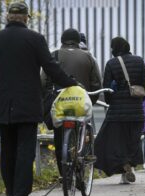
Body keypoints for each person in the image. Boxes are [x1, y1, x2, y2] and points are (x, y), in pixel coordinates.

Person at [0, 2, 76, 196]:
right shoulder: (35, 39)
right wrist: (71, 83)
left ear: (8, 17)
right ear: (26, 18)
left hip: (2, 102)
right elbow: (51, 67)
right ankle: (21, 194)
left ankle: (11, 192)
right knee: (25, 149)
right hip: (27, 103)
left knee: (8, 148)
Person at [41, 28, 102, 177]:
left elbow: (43, 81)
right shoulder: (88, 57)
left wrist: (47, 98)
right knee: (84, 129)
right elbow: (96, 83)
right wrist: (90, 101)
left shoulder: (54, 55)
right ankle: (84, 156)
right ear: (77, 41)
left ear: (62, 40)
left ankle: (64, 175)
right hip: (80, 103)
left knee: (59, 138)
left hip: (60, 103)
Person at [94, 37, 145, 184]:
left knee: (114, 142)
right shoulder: (139, 61)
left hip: (117, 112)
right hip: (137, 111)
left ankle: (124, 165)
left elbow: (106, 88)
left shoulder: (111, 63)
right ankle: (127, 170)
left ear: (115, 48)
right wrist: (138, 101)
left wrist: (112, 102)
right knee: (133, 142)